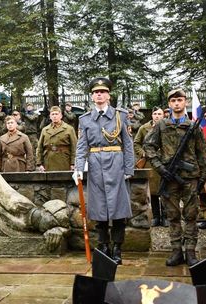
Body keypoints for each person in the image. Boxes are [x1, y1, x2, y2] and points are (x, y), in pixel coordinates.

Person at [143, 88, 206, 267]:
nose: (177, 103)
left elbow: (203, 153)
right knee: (172, 215)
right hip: (169, 178)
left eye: (180, 100)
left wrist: (202, 177)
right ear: (169, 104)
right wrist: (159, 167)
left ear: (185, 102)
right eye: (173, 101)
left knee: (191, 215)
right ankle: (176, 251)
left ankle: (190, 251)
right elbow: (148, 146)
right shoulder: (162, 125)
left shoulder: (193, 126)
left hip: (190, 177)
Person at [75, 77, 134, 265]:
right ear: (92, 97)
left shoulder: (120, 116)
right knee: (98, 208)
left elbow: (128, 144)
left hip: (116, 164)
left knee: (118, 208)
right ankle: (103, 246)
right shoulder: (84, 120)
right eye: (95, 92)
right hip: (94, 166)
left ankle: (117, 248)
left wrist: (128, 167)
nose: (99, 95)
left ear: (108, 95)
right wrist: (78, 168)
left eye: (102, 92)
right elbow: (82, 146)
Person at [134, 107, 167, 227]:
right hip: (149, 163)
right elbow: (136, 143)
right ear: (152, 115)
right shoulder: (144, 128)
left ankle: (165, 216)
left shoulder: (167, 127)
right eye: (155, 114)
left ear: (163, 115)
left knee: (165, 190)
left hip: (163, 162)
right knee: (153, 191)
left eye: (159, 114)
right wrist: (143, 153)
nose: (157, 116)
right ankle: (156, 217)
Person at [36, 106, 77, 172]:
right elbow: (39, 148)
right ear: (50, 116)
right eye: (53, 114)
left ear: (61, 116)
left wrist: (73, 163)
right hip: (48, 161)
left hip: (64, 161)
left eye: (56, 114)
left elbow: (74, 147)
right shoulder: (45, 130)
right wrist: (39, 163)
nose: (54, 116)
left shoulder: (69, 129)